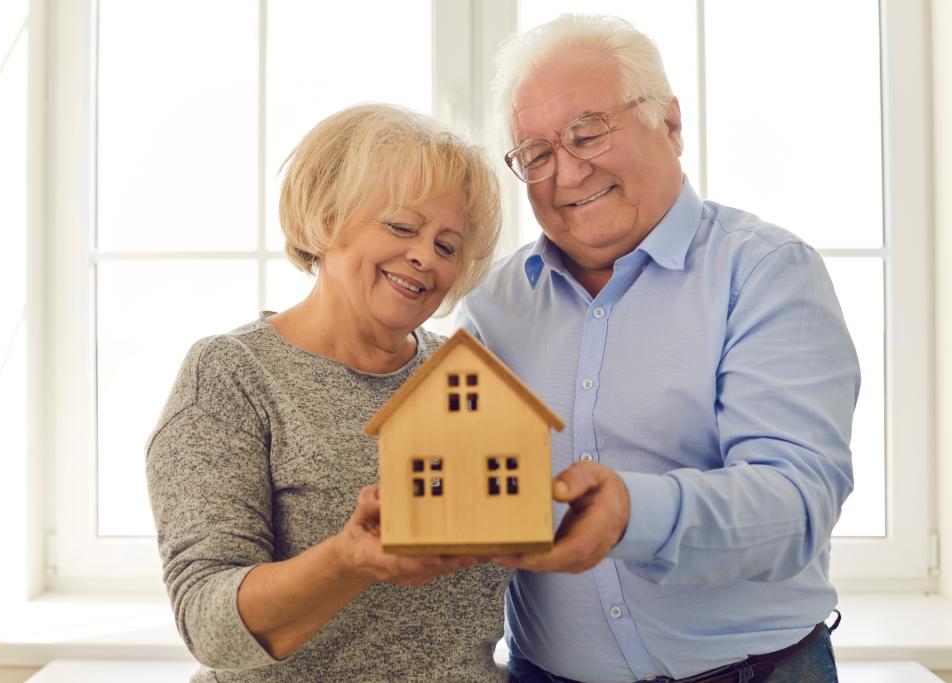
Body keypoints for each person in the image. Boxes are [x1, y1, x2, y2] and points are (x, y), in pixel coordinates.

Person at [457, 14, 859, 683]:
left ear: (669, 124)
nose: (568, 171)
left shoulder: (764, 273)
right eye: (536, 154)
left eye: (588, 132)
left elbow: (797, 499)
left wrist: (633, 515)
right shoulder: (492, 309)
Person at [146, 103, 510, 682]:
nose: (424, 256)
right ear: (326, 215)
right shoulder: (231, 376)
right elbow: (210, 628)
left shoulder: (466, 376)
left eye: (447, 245)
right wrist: (348, 558)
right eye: (401, 226)